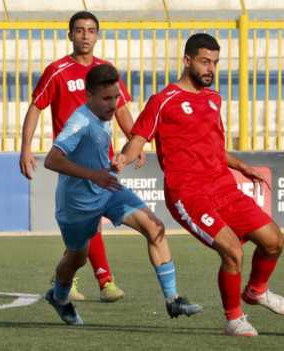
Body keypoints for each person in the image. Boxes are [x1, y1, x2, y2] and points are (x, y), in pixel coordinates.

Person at [113, 33, 284, 336]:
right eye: (204, 61)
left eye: (215, 63)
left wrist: (242, 166)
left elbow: (212, 148)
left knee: (274, 241)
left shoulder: (213, 99)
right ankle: (234, 317)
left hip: (224, 187)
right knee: (233, 250)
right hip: (188, 193)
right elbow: (139, 140)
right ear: (187, 61)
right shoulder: (163, 101)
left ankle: (256, 290)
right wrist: (122, 159)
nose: (210, 69)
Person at [43, 64, 201, 325]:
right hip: (77, 205)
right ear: (89, 96)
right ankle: (59, 297)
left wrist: (118, 161)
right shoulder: (79, 122)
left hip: (107, 190)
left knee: (155, 227)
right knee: (77, 258)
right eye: (106, 98)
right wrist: (95, 175)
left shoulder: (103, 115)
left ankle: (173, 300)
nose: (113, 104)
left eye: (116, 97)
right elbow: (51, 160)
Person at [20, 11, 144, 302]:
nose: (85, 35)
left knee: (88, 219)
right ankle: (105, 280)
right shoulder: (57, 70)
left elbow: (122, 107)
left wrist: (133, 141)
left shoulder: (105, 70)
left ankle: (67, 276)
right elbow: (36, 107)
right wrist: (26, 149)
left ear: (97, 35)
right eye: (79, 30)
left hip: (105, 158)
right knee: (90, 216)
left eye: (90, 30)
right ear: (70, 35)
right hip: (72, 161)